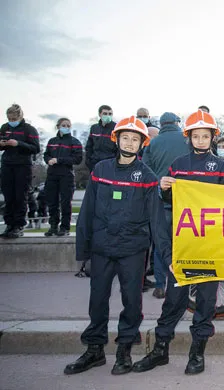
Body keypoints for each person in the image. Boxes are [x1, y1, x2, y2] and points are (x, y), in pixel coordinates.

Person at [64, 116, 170, 376]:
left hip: (132, 250)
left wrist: (167, 256)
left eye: (136, 139)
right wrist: (84, 251)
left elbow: (156, 221)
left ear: (142, 144)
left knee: (132, 301)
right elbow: (87, 211)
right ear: (117, 139)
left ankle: (124, 349)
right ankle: (95, 350)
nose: (130, 142)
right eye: (126, 137)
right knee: (97, 299)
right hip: (102, 247)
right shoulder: (101, 170)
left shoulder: (147, 177)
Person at [132, 111, 224, 376]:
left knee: (206, 301)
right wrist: (163, 188)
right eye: (196, 135)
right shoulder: (177, 163)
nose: (200, 140)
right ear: (188, 137)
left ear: (212, 138)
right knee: (174, 299)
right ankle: (160, 350)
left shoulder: (221, 167)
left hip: (210, 244)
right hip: (183, 242)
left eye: (205, 136)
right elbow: (167, 202)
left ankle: (197, 353)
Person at [142, 112, 191, 298]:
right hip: (185, 199)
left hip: (161, 199)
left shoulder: (153, 143)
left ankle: (161, 284)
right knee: (185, 243)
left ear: (161, 125)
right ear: (177, 123)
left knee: (161, 243)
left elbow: (146, 170)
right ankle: (183, 281)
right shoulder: (186, 139)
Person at [0, 104, 41, 238]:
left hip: (23, 166)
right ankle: (9, 224)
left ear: (20, 116)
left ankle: (18, 225)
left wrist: (18, 144)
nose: (11, 121)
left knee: (20, 196)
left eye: (13, 118)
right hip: (7, 165)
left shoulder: (29, 129)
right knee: (9, 196)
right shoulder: (4, 128)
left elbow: (35, 148)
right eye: (9, 118)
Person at [43, 117, 83, 237]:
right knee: (52, 202)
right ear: (58, 126)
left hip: (66, 175)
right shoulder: (52, 141)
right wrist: (48, 160)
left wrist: (59, 160)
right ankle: (53, 226)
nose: (66, 127)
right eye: (64, 125)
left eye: (68, 125)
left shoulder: (74, 142)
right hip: (52, 175)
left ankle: (65, 227)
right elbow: (46, 155)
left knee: (65, 202)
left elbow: (77, 159)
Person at [85, 105, 117, 172]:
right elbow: (89, 146)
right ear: (100, 114)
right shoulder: (94, 128)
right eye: (105, 113)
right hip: (95, 163)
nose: (108, 116)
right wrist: (88, 161)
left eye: (110, 114)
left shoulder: (116, 128)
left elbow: (119, 148)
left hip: (110, 164)